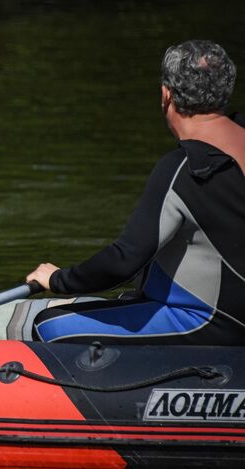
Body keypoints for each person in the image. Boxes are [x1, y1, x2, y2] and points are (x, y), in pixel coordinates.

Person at [26, 39, 245, 345]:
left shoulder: (182, 169)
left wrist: (58, 279)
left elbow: (124, 261)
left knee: (50, 326)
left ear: (166, 95)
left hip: (212, 327)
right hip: (227, 318)